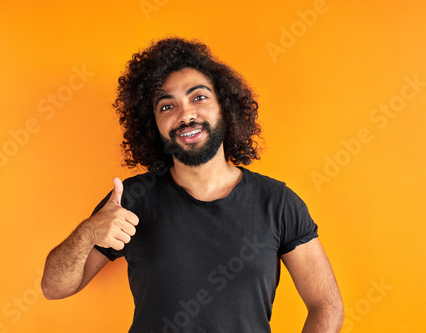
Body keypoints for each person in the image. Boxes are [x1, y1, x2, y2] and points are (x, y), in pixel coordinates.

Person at [41, 37, 344, 332]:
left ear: (224, 107)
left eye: (198, 97)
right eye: (166, 106)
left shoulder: (278, 203)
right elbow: (53, 288)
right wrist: (88, 231)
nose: (185, 114)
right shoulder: (132, 199)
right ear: (153, 126)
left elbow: (326, 305)